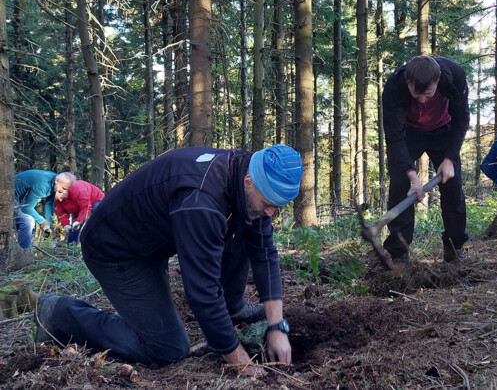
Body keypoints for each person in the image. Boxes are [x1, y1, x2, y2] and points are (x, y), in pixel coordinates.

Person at [34, 144, 303, 375]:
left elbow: (264, 253)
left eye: (277, 207)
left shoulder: (245, 172)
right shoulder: (201, 200)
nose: (271, 213)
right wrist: (241, 364)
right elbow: (203, 292)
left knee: (250, 224)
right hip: (116, 251)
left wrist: (276, 326)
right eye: (268, 203)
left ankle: (232, 309)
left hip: (151, 242)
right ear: (248, 182)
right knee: (168, 347)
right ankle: (58, 313)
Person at [382, 56, 470, 263]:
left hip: (444, 131)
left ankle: (454, 247)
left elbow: (462, 118)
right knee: (400, 185)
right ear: (408, 82)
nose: (422, 100)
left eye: (428, 95)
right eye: (416, 94)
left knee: (453, 187)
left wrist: (450, 157)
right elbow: (394, 137)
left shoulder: (454, 76)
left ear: (437, 82)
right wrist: (412, 176)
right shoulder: (394, 85)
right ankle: (399, 253)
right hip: (408, 133)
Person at [14, 170, 73, 249]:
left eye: (66, 189)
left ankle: (21, 249)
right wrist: (42, 221)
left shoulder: (55, 182)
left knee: (28, 221)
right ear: (57, 181)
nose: (64, 192)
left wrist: (49, 225)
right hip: (7, 195)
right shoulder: (43, 185)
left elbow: (49, 204)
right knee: (27, 221)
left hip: (20, 198)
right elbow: (27, 208)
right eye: (63, 188)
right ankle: (25, 253)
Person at [54, 173, 105, 245]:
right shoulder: (58, 196)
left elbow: (86, 207)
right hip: (77, 207)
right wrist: (66, 225)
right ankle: (71, 249)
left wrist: (79, 221)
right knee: (73, 228)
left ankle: (101, 245)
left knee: (97, 221)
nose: (60, 201)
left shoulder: (78, 190)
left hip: (95, 200)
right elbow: (61, 212)